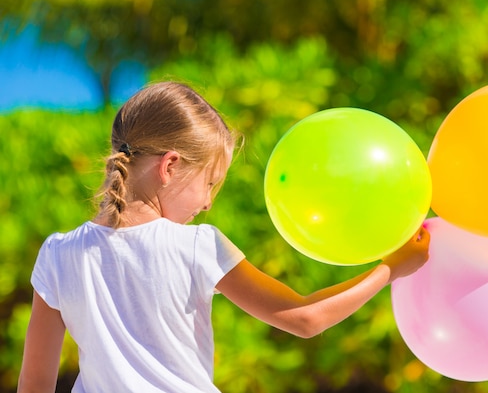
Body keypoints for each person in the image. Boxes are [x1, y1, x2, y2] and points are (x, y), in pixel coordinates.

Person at [17, 81, 430, 393]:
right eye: (210, 183)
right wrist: (390, 269)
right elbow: (304, 319)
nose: (208, 203)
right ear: (171, 166)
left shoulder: (58, 253)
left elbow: (34, 383)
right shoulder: (198, 245)